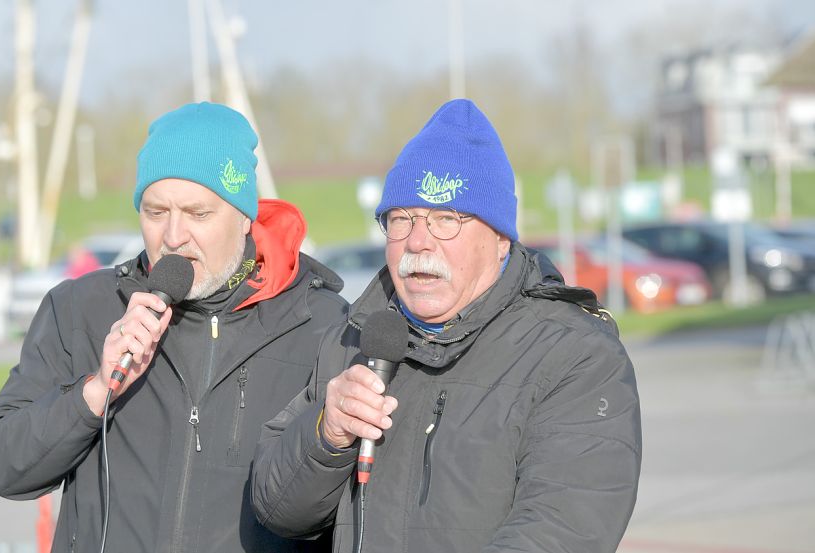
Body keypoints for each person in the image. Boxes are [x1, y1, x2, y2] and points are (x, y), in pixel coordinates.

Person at [251, 99, 642, 552]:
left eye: (445, 219)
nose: (418, 240)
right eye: (401, 219)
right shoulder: (355, 338)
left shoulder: (575, 355)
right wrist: (326, 435)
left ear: (499, 239)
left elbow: (563, 531)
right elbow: (278, 512)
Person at [0, 102, 348, 553]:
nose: (173, 236)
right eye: (156, 212)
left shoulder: (323, 324)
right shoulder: (80, 308)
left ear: (245, 215)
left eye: (198, 214)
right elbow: (4, 466)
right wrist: (93, 393)